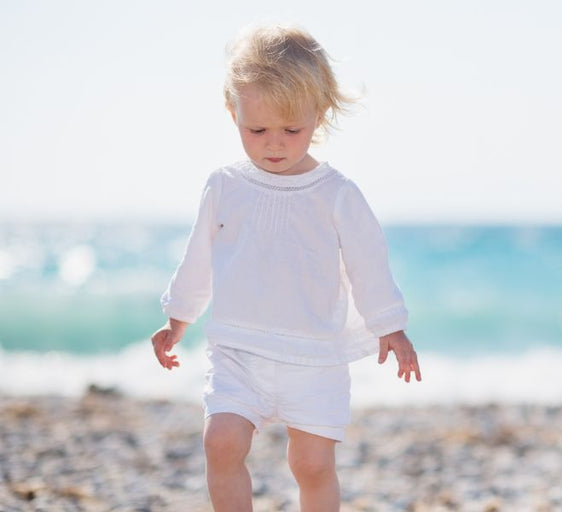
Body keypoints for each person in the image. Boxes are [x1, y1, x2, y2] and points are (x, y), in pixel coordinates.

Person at [149, 24, 421, 511]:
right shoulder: (224, 186)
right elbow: (199, 258)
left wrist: (391, 328)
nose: (273, 144)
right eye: (257, 130)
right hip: (239, 350)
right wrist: (177, 319)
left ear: (318, 115)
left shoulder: (337, 194)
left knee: (312, 464)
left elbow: (368, 265)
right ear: (233, 111)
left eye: (291, 130)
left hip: (314, 358)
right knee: (221, 442)